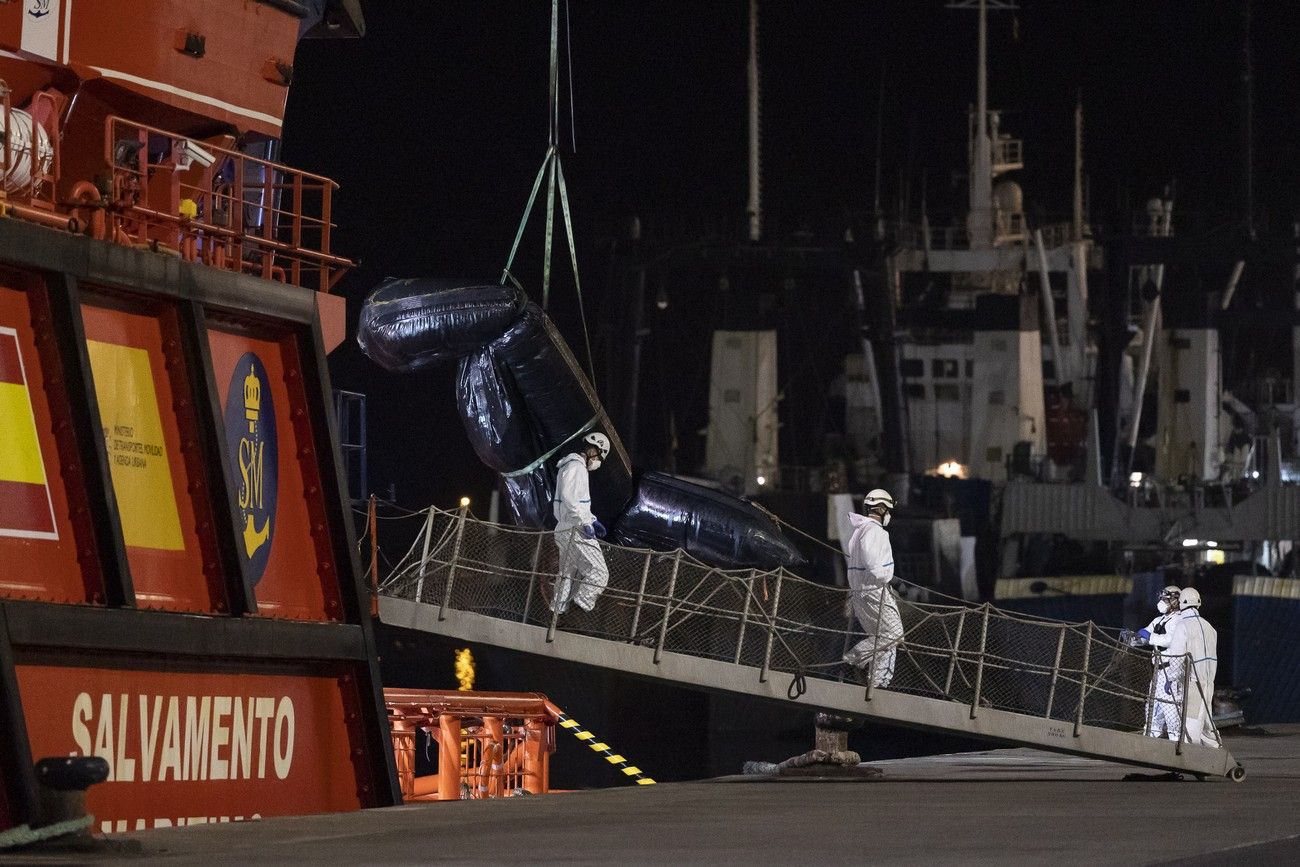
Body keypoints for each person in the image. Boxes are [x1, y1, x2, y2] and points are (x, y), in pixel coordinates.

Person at [841, 489, 904, 687]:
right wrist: (887, 576)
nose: (889, 515)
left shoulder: (859, 531)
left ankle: (877, 683)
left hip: (860, 592)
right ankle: (855, 660)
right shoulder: (876, 532)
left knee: (882, 639)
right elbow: (873, 562)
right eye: (888, 510)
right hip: (873, 591)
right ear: (882, 509)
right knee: (893, 634)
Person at [550, 432, 611, 614]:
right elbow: (570, 500)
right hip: (576, 529)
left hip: (564, 527)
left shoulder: (570, 465)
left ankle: (557, 611)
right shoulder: (577, 467)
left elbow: (576, 501)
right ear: (594, 450)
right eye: (599, 456)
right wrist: (584, 523)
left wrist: (593, 520)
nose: (598, 461)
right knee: (600, 574)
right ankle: (581, 606)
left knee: (567, 573)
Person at [1136, 585, 1183, 739]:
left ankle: (1176, 746)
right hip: (1157, 670)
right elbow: (1144, 635)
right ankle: (1149, 741)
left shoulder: (1179, 620)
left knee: (1171, 713)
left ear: (1175, 601)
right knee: (1152, 708)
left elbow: (1170, 640)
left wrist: (1150, 638)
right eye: (1162, 599)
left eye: (1166, 599)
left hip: (1171, 670)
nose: (1162, 602)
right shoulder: (1158, 620)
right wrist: (1132, 639)